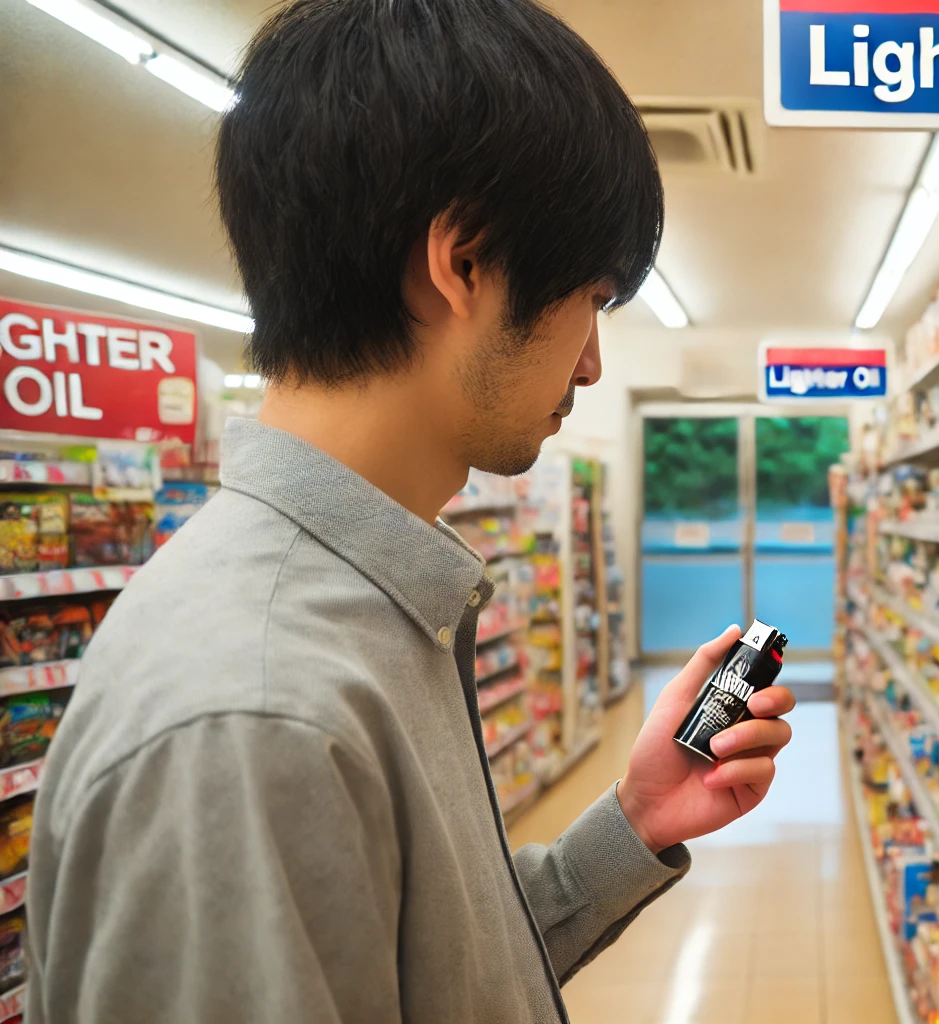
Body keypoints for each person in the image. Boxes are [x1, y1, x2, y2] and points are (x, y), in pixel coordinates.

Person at [23, 1, 796, 1021]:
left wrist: (635, 818)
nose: (595, 362)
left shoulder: (373, 613)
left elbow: (424, 970)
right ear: (464, 262)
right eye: (593, 301)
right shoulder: (257, 714)